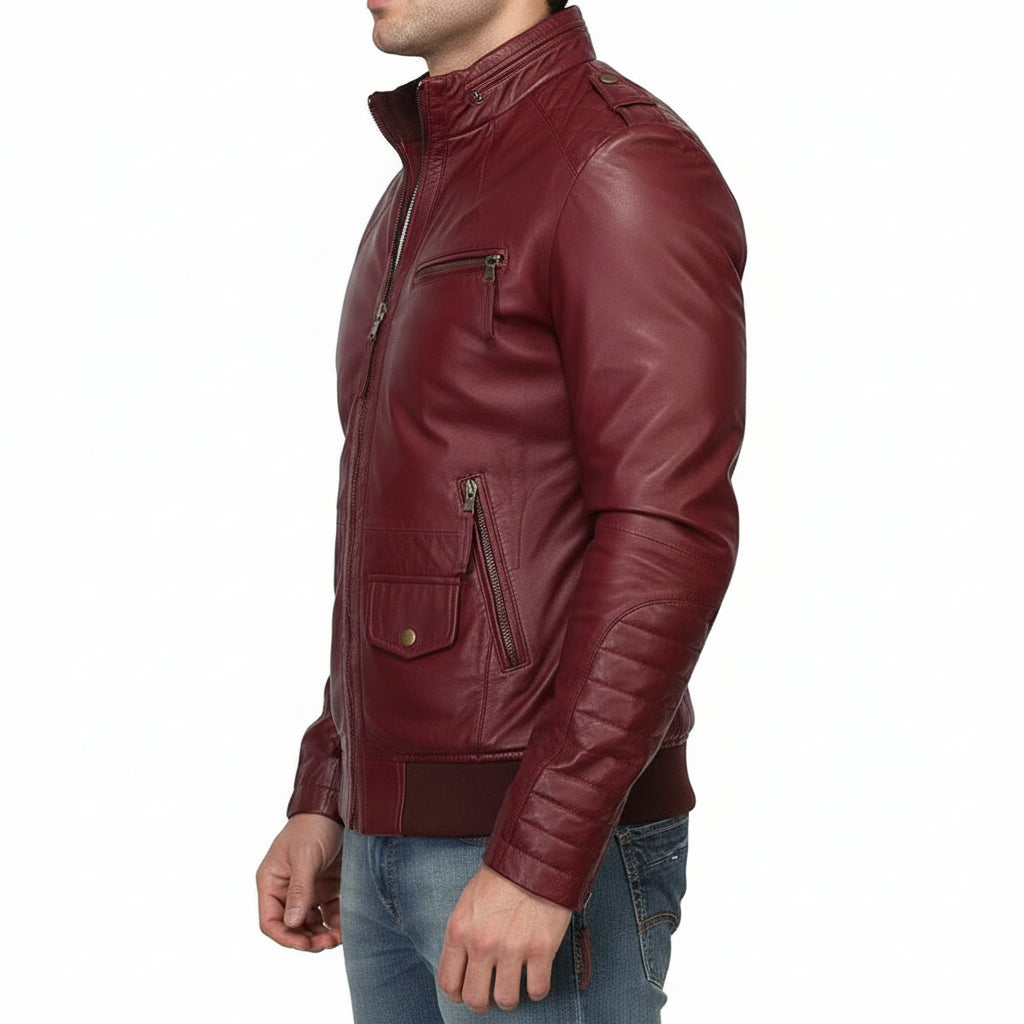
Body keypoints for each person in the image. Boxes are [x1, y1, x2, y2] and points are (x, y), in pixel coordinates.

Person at [256, 2, 746, 1020]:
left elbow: (669, 532)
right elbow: (397, 521)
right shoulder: (419, 187)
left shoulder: (616, 163)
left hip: (534, 852)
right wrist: (331, 785)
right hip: (389, 850)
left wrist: (541, 852)